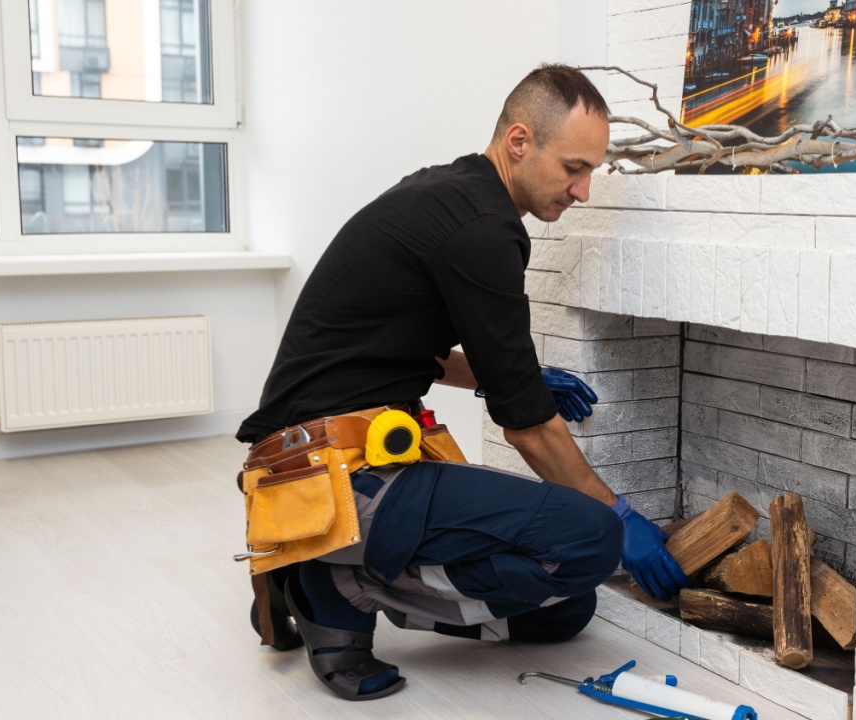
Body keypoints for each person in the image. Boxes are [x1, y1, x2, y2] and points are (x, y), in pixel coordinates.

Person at [235, 64, 687, 702]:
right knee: (593, 537)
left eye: (592, 172)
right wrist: (621, 515)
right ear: (520, 142)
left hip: (340, 454)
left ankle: (335, 566)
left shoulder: (452, 197)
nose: (583, 190)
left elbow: (404, 346)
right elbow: (526, 428)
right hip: (327, 473)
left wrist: (513, 375)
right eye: (574, 168)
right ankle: (331, 584)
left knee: (566, 612)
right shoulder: (482, 229)